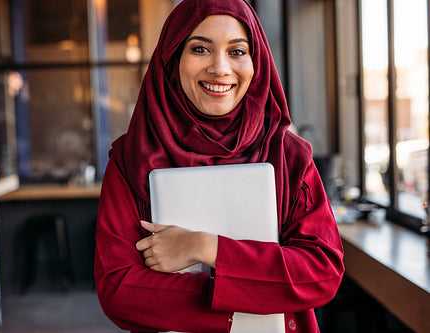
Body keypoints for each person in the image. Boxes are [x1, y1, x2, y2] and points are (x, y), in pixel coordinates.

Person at [94, 0, 344, 332]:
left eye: (237, 51)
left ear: (257, 63)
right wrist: (254, 296)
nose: (220, 68)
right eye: (200, 49)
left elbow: (321, 273)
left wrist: (204, 247)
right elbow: (119, 289)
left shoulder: (288, 155)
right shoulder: (131, 157)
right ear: (172, 60)